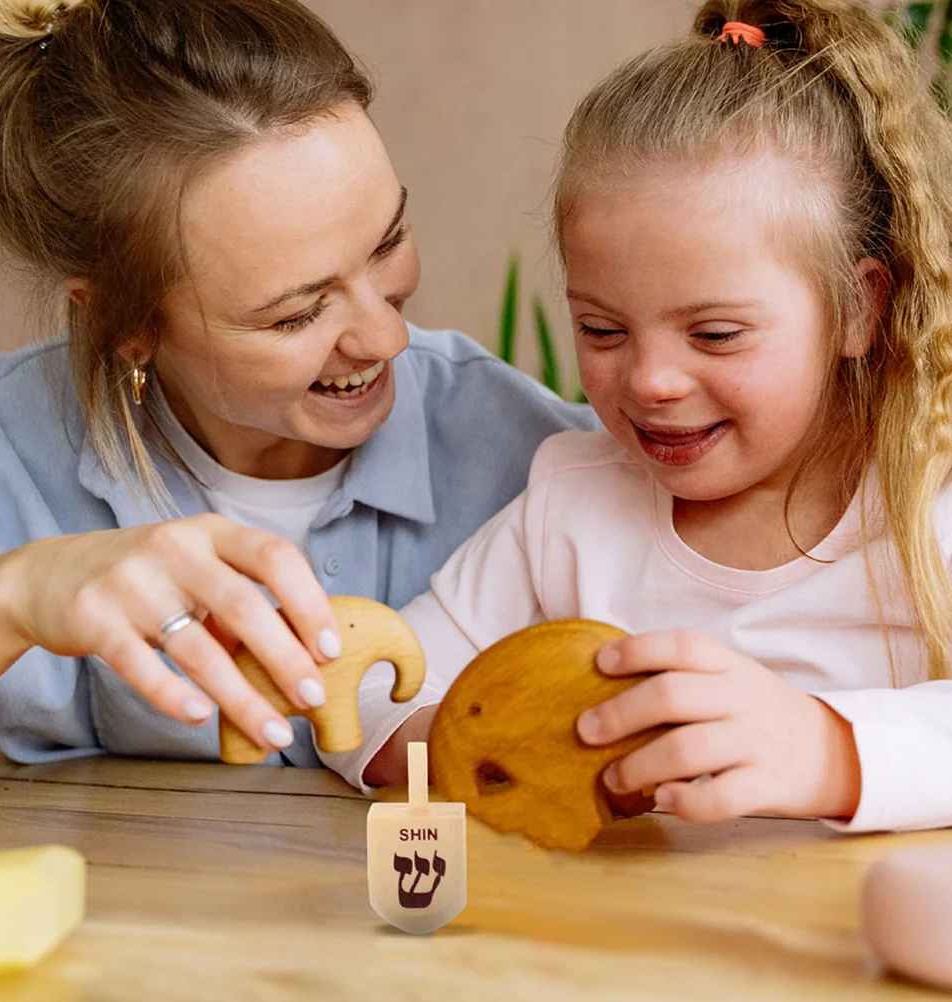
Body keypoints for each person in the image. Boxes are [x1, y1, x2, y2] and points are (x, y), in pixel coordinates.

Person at [345, 0, 952, 832]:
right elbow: (373, 681)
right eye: (602, 329)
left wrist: (830, 750)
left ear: (857, 309)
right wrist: (484, 752)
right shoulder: (574, 503)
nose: (652, 380)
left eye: (715, 334)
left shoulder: (929, 506)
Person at [0, 0, 596, 765]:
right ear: (126, 321)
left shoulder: (542, 460)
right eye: (297, 314)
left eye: (388, 241)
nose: (387, 337)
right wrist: (18, 596)